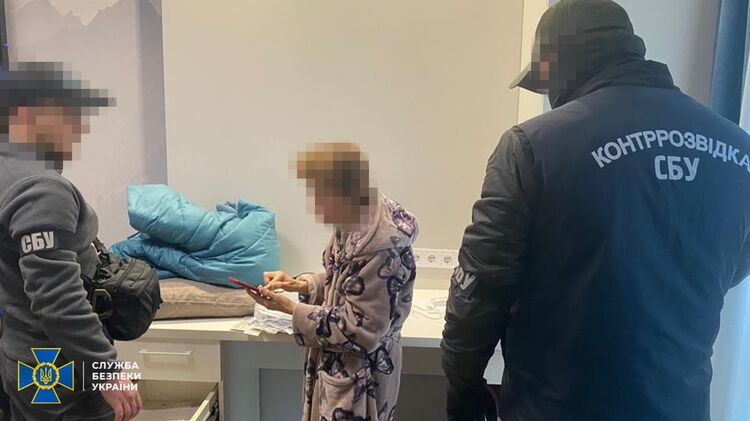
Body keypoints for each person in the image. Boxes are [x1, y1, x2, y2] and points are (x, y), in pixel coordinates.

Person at [441, 1, 750, 420]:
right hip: (681, 407)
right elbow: (733, 264)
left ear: (558, 63)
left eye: (545, 82)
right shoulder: (738, 151)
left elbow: (481, 288)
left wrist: (462, 384)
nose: (551, 98)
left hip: (560, 406)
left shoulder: (534, 148)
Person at [0, 62, 141, 421]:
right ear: (27, 115)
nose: (78, 130)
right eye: (69, 117)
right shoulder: (40, 187)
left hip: (25, 357)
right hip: (59, 368)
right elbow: (56, 295)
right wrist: (105, 370)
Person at [246, 142, 419, 421]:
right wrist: (301, 285)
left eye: (320, 196)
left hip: (362, 378)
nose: (316, 206)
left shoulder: (378, 247)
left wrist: (290, 309)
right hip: (340, 368)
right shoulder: (356, 220)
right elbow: (345, 281)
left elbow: (360, 330)